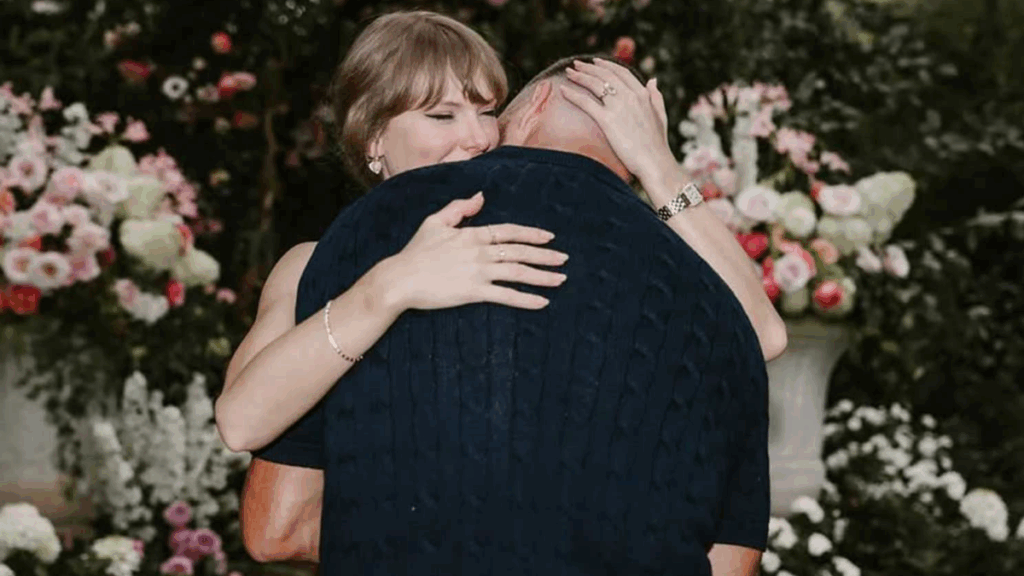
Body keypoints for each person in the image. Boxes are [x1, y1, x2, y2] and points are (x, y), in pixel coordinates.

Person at [239, 48, 780, 576]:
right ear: (375, 137)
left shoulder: (351, 241)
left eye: (488, 113)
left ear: (531, 106)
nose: (478, 138)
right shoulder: (704, 302)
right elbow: (731, 560)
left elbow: (277, 528)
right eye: (443, 115)